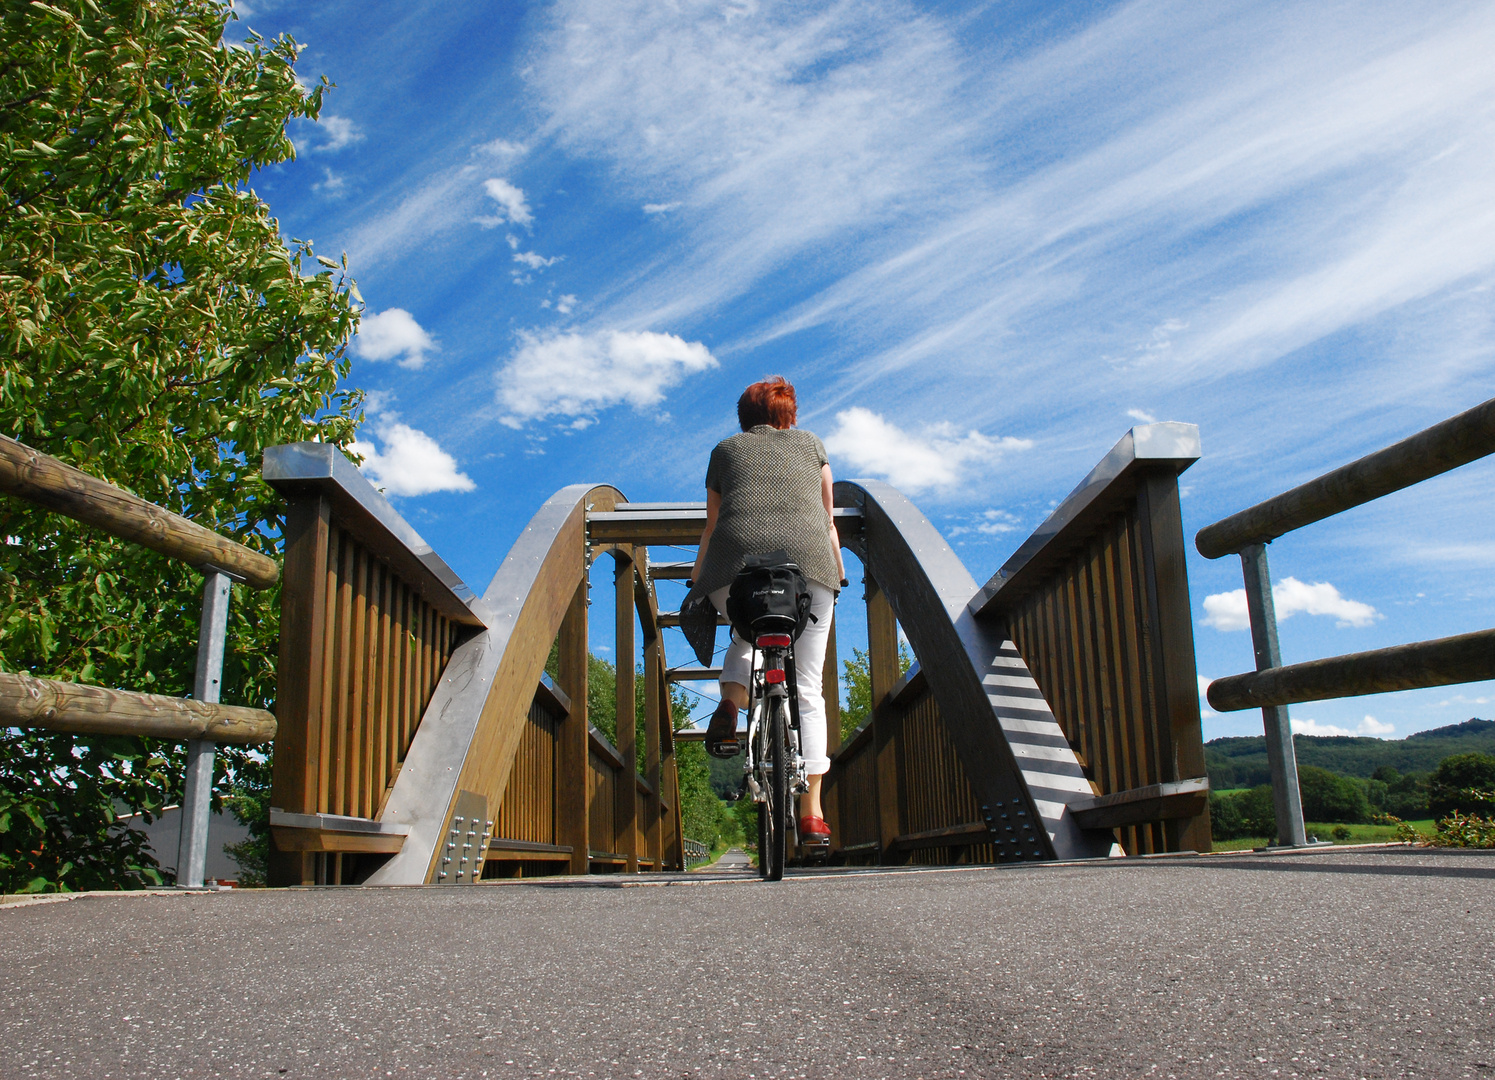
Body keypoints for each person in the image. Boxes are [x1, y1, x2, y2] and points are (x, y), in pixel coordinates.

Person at [686, 376, 846, 844]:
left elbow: (713, 525)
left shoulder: (724, 451)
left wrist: (698, 581)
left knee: (743, 633)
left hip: (736, 570)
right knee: (809, 686)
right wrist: (836, 572)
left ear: (744, 416)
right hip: (808, 571)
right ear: (789, 415)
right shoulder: (811, 445)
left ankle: (731, 704)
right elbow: (828, 520)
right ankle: (813, 812)